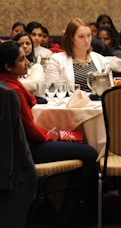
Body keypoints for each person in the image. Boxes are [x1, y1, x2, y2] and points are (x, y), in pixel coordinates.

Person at [0, 40, 99, 224]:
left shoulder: (4, 86)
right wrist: (49, 136)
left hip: (15, 152)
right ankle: (70, 211)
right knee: (90, 152)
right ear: (8, 66)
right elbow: (29, 131)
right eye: (22, 60)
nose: (28, 63)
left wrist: (47, 134)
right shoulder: (13, 92)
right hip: (28, 152)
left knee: (77, 144)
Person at [45, 18, 111, 92]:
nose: (87, 40)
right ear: (71, 38)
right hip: (68, 102)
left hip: (96, 102)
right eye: (81, 37)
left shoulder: (101, 60)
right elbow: (51, 91)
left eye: (89, 35)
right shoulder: (56, 60)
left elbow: (109, 91)